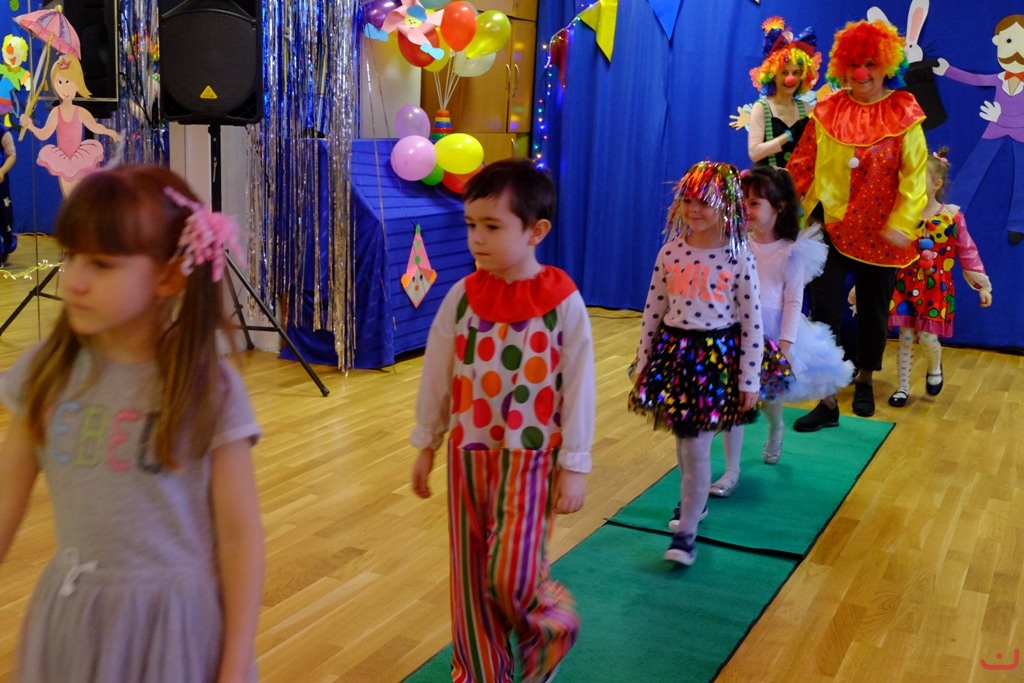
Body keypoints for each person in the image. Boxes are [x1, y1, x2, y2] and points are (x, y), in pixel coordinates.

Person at [0, 165, 264, 682]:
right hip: (74, 622)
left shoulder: (208, 388)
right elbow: (5, 498)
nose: (74, 280)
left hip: (175, 630)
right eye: (70, 256)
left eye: (102, 264)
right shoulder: (44, 375)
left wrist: (234, 664)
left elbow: (240, 539)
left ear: (168, 276)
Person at [410, 158, 595, 683]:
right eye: (471, 224)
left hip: (531, 460)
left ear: (536, 231)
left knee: (513, 573)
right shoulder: (463, 296)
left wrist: (574, 464)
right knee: (470, 576)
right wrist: (427, 442)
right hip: (469, 454)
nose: (477, 238)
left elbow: (579, 386)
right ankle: (479, 671)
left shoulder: (562, 301)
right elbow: (437, 372)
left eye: (492, 226)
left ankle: (551, 629)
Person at [786, 19, 927, 429]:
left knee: (872, 311)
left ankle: (864, 378)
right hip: (830, 223)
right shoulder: (828, 110)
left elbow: (915, 175)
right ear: (841, 67)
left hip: (882, 231)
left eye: (870, 64)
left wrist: (903, 221)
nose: (861, 74)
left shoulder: (903, 111)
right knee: (825, 308)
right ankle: (827, 397)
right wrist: (783, 214)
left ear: (887, 66)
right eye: (854, 65)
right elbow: (802, 164)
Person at [628, 161, 762, 563]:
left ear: (726, 205)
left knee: (697, 445)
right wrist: (643, 360)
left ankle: (686, 533)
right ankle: (694, 503)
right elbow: (654, 310)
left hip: (714, 360)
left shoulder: (739, 257)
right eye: (688, 200)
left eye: (704, 202)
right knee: (684, 441)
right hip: (675, 355)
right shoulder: (670, 251)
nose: (694, 209)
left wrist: (749, 379)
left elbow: (752, 322)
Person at [739, 166, 853, 471]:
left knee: (769, 393)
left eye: (754, 203)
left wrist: (786, 344)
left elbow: (792, 300)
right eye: (744, 201)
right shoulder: (739, 244)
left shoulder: (791, 251)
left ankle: (775, 428)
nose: (746, 208)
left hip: (772, 330)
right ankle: (732, 458)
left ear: (779, 206)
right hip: (739, 327)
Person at [886, 147, 993, 407]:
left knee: (927, 336)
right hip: (905, 283)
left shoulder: (952, 216)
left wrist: (981, 285)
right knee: (905, 336)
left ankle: (935, 367)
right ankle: (902, 388)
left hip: (935, 287)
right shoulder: (904, 216)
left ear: (936, 184)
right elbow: (887, 253)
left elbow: (967, 251)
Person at [933, 14, 1024, 245]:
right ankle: (950, 211)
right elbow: (976, 79)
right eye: (1009, 42)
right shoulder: (1000, 78)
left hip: (1019, 132)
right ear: (998, 43)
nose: (1016, 51)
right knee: (973, 168)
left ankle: (1019, 223)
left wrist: (1000, 116)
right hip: (995, 128)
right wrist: (947, 70)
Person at [19, 54, 121, 197]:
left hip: (80, 159)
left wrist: (111, 133)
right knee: (69, 196)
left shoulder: (80, 111)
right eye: (60, 82)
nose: (64, 88)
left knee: (80, 195)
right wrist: (30, 126)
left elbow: (95, 127)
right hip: (62, 161)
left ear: (77, 83)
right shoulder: (56, 112)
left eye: (68, 81)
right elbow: (44, 134)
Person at [747, 17, 821, 167]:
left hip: (796, 180)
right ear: (773, 75)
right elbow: (754, 154)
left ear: (802, 76)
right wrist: (789, 135)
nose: (790, 79)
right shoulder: (762, 108)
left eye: (795, 73)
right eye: (784, 73)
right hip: (767, 179)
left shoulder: (806, 108)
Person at [0, 121, 15, 265]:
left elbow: (12, 155)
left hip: (0, 184)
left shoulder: (2, 130)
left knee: (3, 216)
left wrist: (2, 171)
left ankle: (2, 249)